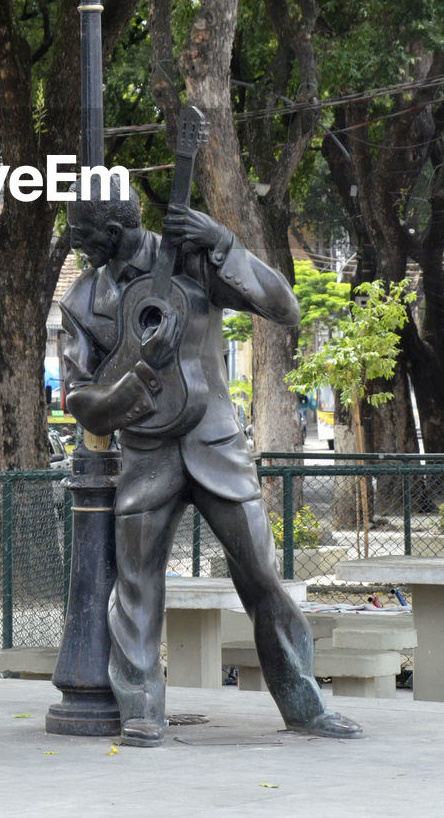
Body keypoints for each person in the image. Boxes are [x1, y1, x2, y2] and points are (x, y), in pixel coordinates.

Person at [60, 178, 361, 747]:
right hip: (147, 457)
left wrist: (224, 241)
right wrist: (138, 375)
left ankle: (305, 705)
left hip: (216, 447)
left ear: (115, 232)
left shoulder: (191, 258)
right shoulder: (83, 301)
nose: (79, 249)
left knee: (263, 580)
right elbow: (81, 402)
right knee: (136, 588)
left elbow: (285, 307)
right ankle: (142, 711)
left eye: (84, 237)